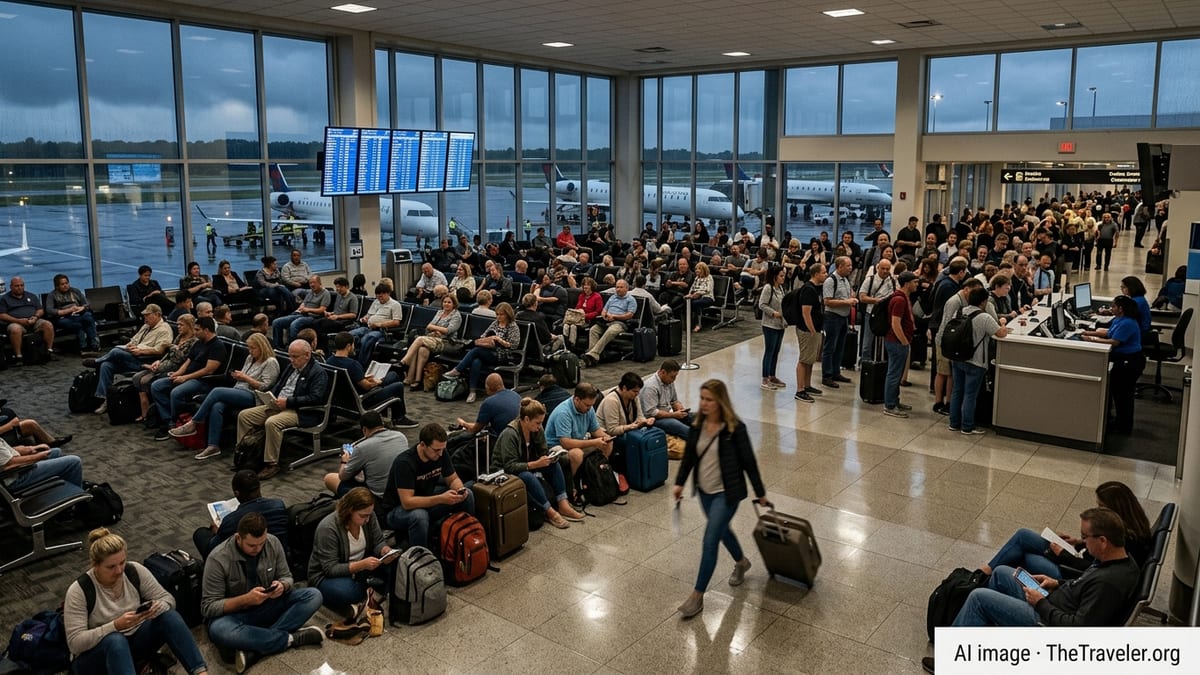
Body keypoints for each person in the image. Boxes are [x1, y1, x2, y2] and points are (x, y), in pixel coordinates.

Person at [672, 379, 767, 619]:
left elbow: (749, 462)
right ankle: (742, 561)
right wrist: (680, 482)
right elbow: (690, 458)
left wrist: (760, 491)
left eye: (709, 399)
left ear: (720, 401)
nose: (704, 403)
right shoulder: (696, 426)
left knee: (710, 538)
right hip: (705, 491)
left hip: (727, 493)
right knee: (722, 531)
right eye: (702, 398)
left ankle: (697, 596)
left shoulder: (735, 429)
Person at [64, 528, 208, 675]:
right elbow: (75, 644)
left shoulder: (133, 571)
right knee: (115, 641)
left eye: (122, 562)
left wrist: (158, 607)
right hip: (97, 655)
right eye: (111, 567)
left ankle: (200, 672)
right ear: (95, 565)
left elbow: (167, 599)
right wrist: (115, 626)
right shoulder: (79, 591)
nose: (119, 570)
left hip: (133, 642)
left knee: (169, 617)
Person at [201, 513, 324, 673]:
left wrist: (282, 585)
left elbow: (287, 576)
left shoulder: (272, 542)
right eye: (252, 545)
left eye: (261, 543)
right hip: (236, 616)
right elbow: (208, 607)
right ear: (238, 538)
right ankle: (291, 639)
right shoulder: (218, 559)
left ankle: (255, 647)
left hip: (268, 605)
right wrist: (246, 599)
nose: (257, 549)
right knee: (219, 630)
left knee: (314, 595)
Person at [980, 481, 1153, 581]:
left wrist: (1063, 554)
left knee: (1023, 554)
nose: (1098, 510)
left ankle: (984, 576)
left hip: (1070, 571)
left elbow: (1095, 569)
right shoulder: (1131, 528)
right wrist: (1081, 542)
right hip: (1077, 560)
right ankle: (988, 574)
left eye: (1101, 506)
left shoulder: (1126, 540)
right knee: (1023, 536)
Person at [170, 333, 279, 461]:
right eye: (249, 348)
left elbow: (265, 386)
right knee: (217, 406)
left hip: (254, 396)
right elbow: (243, 378)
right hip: (239, 390)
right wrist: (239, 376)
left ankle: (194, 423)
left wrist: (245, 378)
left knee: (217, 392)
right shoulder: (250, 358)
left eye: (253, 348)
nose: (250, 351)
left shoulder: (270, 362)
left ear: (262, 347)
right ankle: (213, 446)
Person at [236, 339, 331, 480]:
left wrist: (288, 402)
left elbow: (316, 398)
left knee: (272, 422)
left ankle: (271, 463)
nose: (291, 360)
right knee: (244, 415)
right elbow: (280, 384)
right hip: (279, 404)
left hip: (301, 411)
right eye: (290, 356)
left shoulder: (318, 373)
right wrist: (271, 397)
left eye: (295, 356)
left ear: (307, 355)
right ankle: (244, 455)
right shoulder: (291, 366)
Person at [492, 398, 586, 529]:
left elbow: (542, 451)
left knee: (554, 465)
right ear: (526, 419)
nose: (539, 426)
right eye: (537, 423)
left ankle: (563, 503)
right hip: (505, 473)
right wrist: (536, 464)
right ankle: (550, 512)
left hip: (528, 463)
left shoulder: (536, 429)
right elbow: (509, 466)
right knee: (527, 476)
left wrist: (550, 457)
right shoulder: (510, 434)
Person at [380, 423, 476, 550]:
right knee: (419, 516)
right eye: (436, 450)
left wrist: (459, 489)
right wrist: (441, 499)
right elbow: (407, 502)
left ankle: (470, 543)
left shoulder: (441, 452)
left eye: (442, 449)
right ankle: (422, 560)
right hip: (397, 511)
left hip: (426, 499)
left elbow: (453, 479)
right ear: (423, 445)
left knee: (467, 494)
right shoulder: (404, 463)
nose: (440, 454)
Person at [308, 487, 395, 616]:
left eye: (369, 515)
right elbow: (330, 568)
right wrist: (362, 565)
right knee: (350, 592)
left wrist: (384, 550)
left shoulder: (369, 517)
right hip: (327, 576)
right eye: (363, 516)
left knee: (395, 566)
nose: (367, 520)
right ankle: (367, 591)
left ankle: (369, 590)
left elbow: (378, 541)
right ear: (349, 511)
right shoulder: (328, 528)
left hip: (361, 567)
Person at [149, 317, 228, 440]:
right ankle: (168, 420)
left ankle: (177, 421)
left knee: (177, 392)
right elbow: (188, 361)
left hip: (204, 381)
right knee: (157, 386)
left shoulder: (217, 346)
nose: (195, 332)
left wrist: (185, 378)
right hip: (188, 377)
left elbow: (209, 370)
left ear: (206, 330)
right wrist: (178, 373)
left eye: (197, 329)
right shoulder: (199, 342)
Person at [89, 304, 174, 412]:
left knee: (115, 352)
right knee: (106, 365)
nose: (145, 318)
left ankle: (97, 360)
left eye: (147, 315)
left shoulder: (164, 330)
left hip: (146, 360)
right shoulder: (146, 326)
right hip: (134, 356)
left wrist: (141, 351)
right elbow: (135, 339)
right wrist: (130, 345)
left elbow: (160, 350)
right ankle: (106, 399)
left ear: (157, 315)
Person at [947, 288, 1009, 435]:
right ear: (983, 301)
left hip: (958, 357)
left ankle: (954, 423)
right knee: (970, 394)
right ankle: (967, 426)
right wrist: (1003, 323)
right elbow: (1001, 334)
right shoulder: (984, 317)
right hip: (976, 361)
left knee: (957, 391)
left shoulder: (960, 312)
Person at [1081, 295, 1144, 434]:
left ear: (1121, 309)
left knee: (1123, 395)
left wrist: (1091, 340)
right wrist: (1086, 332)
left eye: (1114, 306)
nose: (1111, 308)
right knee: (1117, 392)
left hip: (1130, 362)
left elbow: (1114, 342)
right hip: (1123, 359)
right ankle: (1117, 421)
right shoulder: (1119, 319)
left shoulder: (1128, 323)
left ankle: (1124, 426)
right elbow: (1109, 333)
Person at [326, 332, 417, 428]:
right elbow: (366, 386)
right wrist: (378, 382)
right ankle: (398, 418)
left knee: (392, 375)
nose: (353, 347)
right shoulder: (352, 364)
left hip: (342, 401)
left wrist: (366, 378)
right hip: (361, 401)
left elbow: (353, 379)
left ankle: (385, 415)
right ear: (348, 346)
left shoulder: (329, 361)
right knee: (398, 385)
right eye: (353, 344)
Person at [192, 469, 288, 559]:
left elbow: (214, 549)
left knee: (201, 533)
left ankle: (211, 571)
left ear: (237, 493)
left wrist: (217, 531)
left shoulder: (232, 520)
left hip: (246, 564)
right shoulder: (278, 505)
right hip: (277, 556)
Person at [445, 302, 521, 404]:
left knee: (476, 351)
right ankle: (472, 392)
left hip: (503, 355)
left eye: (501, 314)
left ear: (507, 314)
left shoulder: (513, 326)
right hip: (489, 352)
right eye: (497, 314)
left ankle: (458, 370)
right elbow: (483, 336)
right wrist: (489, 339)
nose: (498, 317)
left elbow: (513, 345)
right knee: (476, 361)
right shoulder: (495, 323)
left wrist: (499, 340)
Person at [324, 411, 408, 498]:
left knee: (329, 478)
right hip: (402, 492)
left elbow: (343, 476)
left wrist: (344, 461)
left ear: (364, 429)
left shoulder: (361, 448)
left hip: (378, 498)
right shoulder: (401, 436)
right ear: (382, 424)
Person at [132, 314, 197, 424]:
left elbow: (182, 359)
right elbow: (168, 353)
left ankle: (163, 418)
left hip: (177, 367)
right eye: (178, 325)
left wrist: (172, 347)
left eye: (181, 325)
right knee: (136, 377)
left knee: (146, 381)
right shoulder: (179, 337)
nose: (178, 327)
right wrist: (159, 361)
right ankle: (147, 413)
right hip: (167, 362)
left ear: (189, 326)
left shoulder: (194, 341)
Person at [544, 383, 615, 481]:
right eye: (587, 405)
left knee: (608, 443)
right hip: (557, 448)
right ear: (577, 399)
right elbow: (566, 443)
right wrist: (594, 442)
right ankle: (571, 483)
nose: (589, 408)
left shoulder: (588, 409)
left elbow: (595, 430)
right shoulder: (563, 413)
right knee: (576, 454)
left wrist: (605, 437)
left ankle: (599, 474)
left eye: (591, 405)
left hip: (576, 442)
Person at [399, 293, 462, 389]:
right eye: (445, 302)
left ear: (454, 304)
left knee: (419, 339)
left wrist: (435, 328)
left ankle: (405, 361)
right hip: (433, 338)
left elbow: (448, 330)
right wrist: (437, 329)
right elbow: (428, 328)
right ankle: (416, 380)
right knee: (421, 350)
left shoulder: (456, 315)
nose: (446, 304)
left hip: (446, 342)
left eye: (449, 302)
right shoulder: (440, 312)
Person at [883, 272, 920, 418]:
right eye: (914, 282)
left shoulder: (903, 297)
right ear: (907, 283)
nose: (917, 284)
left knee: (896, 374)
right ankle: (890, 405)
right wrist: (904, 341)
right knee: (894, 374)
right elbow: (895, 323)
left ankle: (894, 400)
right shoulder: (899, 300)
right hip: (897, 342)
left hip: (899, 341)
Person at [0, 431, 82, 493]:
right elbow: (9, 464)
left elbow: (4, 452)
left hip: (15, 471)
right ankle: (78, 503)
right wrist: (38, 456)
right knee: (74, 461)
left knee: (56, 451)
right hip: (16, 478)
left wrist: (31, 448)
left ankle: (64, 491)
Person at [581, 279, 637, 367]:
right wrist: (604, 315)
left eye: (621, 287)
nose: (618, 289)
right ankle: (592, 358)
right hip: (606, 321)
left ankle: (592, 354)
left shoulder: (631, 300)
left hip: (620, 322)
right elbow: (604, 309)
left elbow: (630, 315)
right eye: (617, 287)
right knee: (593, 329)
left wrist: (614, 316)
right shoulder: (613, 297)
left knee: (611, 331)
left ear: (626, 288)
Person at [820, 256, 857, 388]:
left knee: (840, 347)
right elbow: (827, 301)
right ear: (840, 266)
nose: (850, 268)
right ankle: (827, 375)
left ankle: (836, 371)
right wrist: (847, 302)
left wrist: (851, 298)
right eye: (848, 266)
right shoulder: (830, 281)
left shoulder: (846, 280)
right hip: (832, 317)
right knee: (830, 347)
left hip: (843, 318)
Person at [0, 276, 55, 364]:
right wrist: (18, 320)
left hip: (33, 320)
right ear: (11, 287)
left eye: (21, 285)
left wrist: (36, 317)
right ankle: (18, 357)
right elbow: (2, 315)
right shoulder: (4, 299)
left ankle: (49, 351)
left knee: (48, 324)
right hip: (16, 322)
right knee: (15, 329)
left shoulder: (31, 296)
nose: (20, 288)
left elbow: (40, 310)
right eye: (17, 286)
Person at [793, 262, 827, 403]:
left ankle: (807, 385)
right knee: (804, 359)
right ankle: (800, 389)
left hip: (815, 329)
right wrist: (812, 330)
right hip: (807, 330)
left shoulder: (816, 288)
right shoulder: (808, 290)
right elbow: (806, 312)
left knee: (810, 359)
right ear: (816, 274)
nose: (826, 275)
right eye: (824, 272)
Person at [349, 283, 403, 367]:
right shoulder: (376, 302)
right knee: (350, 335)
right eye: (378, 296)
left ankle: (361, 364)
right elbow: (369, 314)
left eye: (381, 296)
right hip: (368, 327)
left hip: (382, 331)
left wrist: (379, 324)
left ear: (388, 293)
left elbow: (396, 322)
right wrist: (365, 318)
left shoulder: (395, 305)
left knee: (367, 339)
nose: (379, 298)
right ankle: (350, 359)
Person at [454, 373, 521, 438]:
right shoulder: (516, 396)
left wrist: (464, 424)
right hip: (518, 436)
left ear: (487, 388)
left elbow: (475, 429)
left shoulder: (488, 403)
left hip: (501, 439)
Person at [271, 275, 330, 347]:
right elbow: (304, 303)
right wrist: (300, 308)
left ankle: (293, 347)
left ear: (320, 283)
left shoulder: (325, 293)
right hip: (302, 314)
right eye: (310, 283)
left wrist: (308, 309)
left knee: (294, 325)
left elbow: (322, 310)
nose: (312, 285)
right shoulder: (311, 292)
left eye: (314, 283)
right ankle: (278, 347)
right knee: (276, 322)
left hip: (313, 317)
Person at [640, 360, 693, 440]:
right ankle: (697, 443)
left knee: (694, 417)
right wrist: (674, 415)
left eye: (675, 376)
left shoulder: (669, 381)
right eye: (672, 377)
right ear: (663, 372)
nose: (674, 379)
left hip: (668, 414)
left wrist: (680, 409)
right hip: (653, 420)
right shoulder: (650, 387)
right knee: (680, 427)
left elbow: (674, 401)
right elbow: (652, 412)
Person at [49, 274, 100, 355]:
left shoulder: (75, 291)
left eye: (66, 283)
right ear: (57, 286)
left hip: (77, 314)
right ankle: (84, 347)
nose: (65, 285)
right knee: (79, 324)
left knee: (88, 317)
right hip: (63, 318)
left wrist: (82, 308)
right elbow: (49, 310)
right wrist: (67, 310)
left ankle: (94, 345)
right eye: (62, 284)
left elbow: (87, 303)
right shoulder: (52, 295)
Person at [758, 266, 787, 390]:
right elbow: (762, 304)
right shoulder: (768, 288)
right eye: (781, 275)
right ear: (774, 276)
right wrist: (773, 313)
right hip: (769, 324)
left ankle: (772, 375)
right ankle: (765, 379)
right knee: (769, 351)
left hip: (780, 325)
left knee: (776, 351)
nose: (783, 277)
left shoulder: (780, 288)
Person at [685, 262, 715, 332]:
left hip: (707, 297)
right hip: (696, 296)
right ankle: (688, 322)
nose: (697, 270)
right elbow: (692, 288)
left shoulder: (709, 277)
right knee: (686, 301)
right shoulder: (696, 278)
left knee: (696, 303)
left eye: (699, 269)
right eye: (696, 269)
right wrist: (690, 294)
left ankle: (698, 324)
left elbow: (708, 289)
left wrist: (699, 293)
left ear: (704, 270)